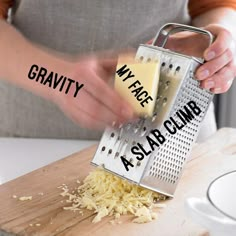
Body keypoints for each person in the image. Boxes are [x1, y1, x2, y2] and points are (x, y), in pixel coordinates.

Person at [0, 0, 235, 141]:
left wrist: (222, 41)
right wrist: (58, 81)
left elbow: (216, 5)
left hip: (168, 130)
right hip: (37, 134)